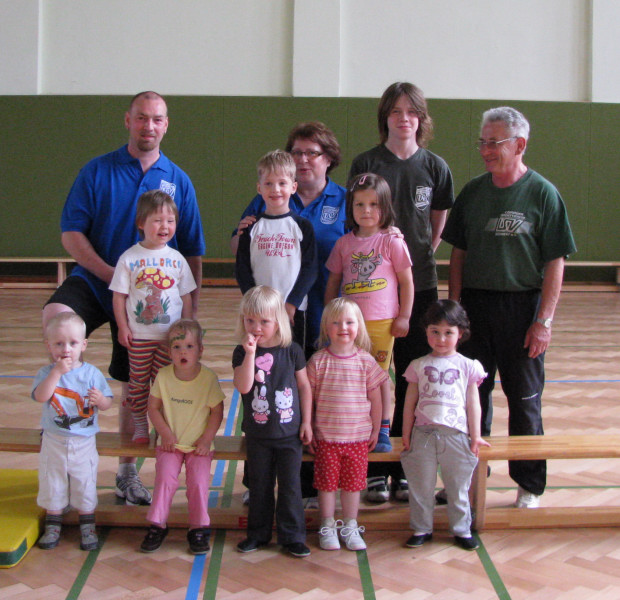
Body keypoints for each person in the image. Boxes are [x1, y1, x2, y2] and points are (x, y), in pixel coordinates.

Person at [42, 91, 205, 506]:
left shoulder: (178, 180)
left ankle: (127, 472)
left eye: (157, 119)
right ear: (128, 121)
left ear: (166, 125)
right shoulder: (98, 171)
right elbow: (71, 234)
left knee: (135, 383)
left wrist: (191, 314)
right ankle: (62, 410)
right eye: (142, 118)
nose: (149, 126)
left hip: (150, 301)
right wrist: (111, 275)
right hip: (99, 280)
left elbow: (192, 250)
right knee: (56, 314)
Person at [441, 106, 576, 508]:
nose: (485, 150)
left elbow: (555, 262)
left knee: (525, 400)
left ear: (519, 145)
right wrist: (455, 311)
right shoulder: (473, 193)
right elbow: (459, 254)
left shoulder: (543, 194)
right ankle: (468, 478)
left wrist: (543, 321)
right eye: (482, 142)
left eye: (494, 143)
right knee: (470, 398)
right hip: (475, 309)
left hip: (522, 310)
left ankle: (529, 484)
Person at [349, 82, 454, 502]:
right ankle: (374, 466)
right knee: (369, 377)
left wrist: (419, 253)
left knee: (414, 377)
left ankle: (406, 466)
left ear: (421, 119)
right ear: (385, 118)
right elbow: (356, 220)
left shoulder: (435, 166)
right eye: (395, 111)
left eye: (412, 111)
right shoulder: (367, 162)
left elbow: (438, 219)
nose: (404, 118)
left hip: (419, 285)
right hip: (371, 290)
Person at [231, 122, 347, 356]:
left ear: (328, 158)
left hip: (325, 305)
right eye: (296, 152)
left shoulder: (346, 199)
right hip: (273, 311)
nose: (302, 159)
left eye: (311, 153)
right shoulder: (265, 201)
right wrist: (242, 236)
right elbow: (239, 249)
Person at [324, 173, 413, 453]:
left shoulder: (392, 241)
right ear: (350, 207)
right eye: (359, 204)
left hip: (382, 323)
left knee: (380, 377)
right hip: (349, 326)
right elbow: (333, 282)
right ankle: (359, 426)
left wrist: (404, 316)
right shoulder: (343, 244)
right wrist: (329, 317)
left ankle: (382, 428)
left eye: (374, 204)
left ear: (385, 207)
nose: (366, 211)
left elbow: (407, 282)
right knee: (353, 376)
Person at [400, 300, 489, 551]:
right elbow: (409, 403)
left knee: (458, 487)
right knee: (421, 486)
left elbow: (473, 404)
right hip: (423, 434)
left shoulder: (468, 366)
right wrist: (406, 434)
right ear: (426, 331)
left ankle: (461, 530)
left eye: (448, 332)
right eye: (435, 332)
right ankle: (421, 528)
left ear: (460, 333)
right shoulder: (418, 365)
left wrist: (475, 436)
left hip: (456, 436)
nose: (441, 339)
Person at [232, 286, 313, 558]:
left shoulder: (292, 350)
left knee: (290, 488)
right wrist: (250, 354)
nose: (256, 327)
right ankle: (258, 534)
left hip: (290, 434)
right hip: (258, 435)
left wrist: (307, 422)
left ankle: (293, 537)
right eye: (250, 320)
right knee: (260, 487)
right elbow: (244, 387)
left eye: (264, 321)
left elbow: (304, 387)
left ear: (278, 321)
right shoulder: (241, 352)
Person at [110, 190, 196, 443]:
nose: (165, 226)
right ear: (141, 223)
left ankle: (162, 426)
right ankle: (139, 423)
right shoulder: (129, 258)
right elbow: (119, 297)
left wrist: (186, 330)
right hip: (139, 337)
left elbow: (186, 297)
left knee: (164, 385)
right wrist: (122, 327)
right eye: (157, 220)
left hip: (169, 340)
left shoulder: (177, 260)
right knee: (137, 384)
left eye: (170, 221)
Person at [307, 298, 386, 551]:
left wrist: (377, 429)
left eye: (350, 322)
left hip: (358, 439)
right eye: (336, 322)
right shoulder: (318, 361)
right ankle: (327, 526)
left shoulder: (366, 361)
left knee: (353, 487)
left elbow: (376, 399)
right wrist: (309, 427)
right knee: (327, 486)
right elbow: (308, 399)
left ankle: (350, 526)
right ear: (326, 327)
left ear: (359, 326)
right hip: (326, 439)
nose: (343, 327)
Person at [139, 319, 224, 555]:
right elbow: (153, 407)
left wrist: (206, 439)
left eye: (189, 346)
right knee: (165, 480)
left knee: (198, 483)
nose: (182, 352)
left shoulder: (208, 378)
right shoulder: (164, 376)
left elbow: (217, 412)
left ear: (200, 350)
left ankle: (198, 527)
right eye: (176, 347)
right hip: (170, 445)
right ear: (169, 352)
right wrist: (165, 433)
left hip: (199, 447)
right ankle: (157, 524)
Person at [32, 312, 113, 551]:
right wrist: (56, 373)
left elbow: (108, 403)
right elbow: (41, 396)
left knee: (84, 482)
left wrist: (100, 400)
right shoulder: (46, 373)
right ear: (49, 346)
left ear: (83, 345)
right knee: (52, 482)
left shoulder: (92, 374)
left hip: (84, 442)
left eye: (73, 343)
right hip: (54, 440)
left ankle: (87, 526)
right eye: (59, 343)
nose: (66, 349)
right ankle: (53, 524)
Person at [235, 149, 317, 348]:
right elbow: (242, 269)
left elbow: (310, 269)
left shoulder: (302, 227)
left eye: (282, 183)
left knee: (292, 357)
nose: (275, 189)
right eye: (268, 184)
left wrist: (292, 303)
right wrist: (254, 304)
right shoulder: (251, 227)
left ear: (293, 187)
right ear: (259, 188)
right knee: (260, 357)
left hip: (293, 310)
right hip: (259, 313)